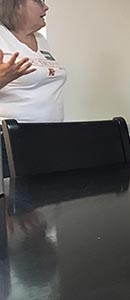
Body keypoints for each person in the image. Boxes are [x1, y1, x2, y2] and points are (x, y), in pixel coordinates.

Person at [0, 0, 67, 176]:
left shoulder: (41, 40)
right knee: (17, 200)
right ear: (16, 5)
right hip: (12, 142)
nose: (46, 7)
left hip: (51, 137)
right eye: (39, 1)